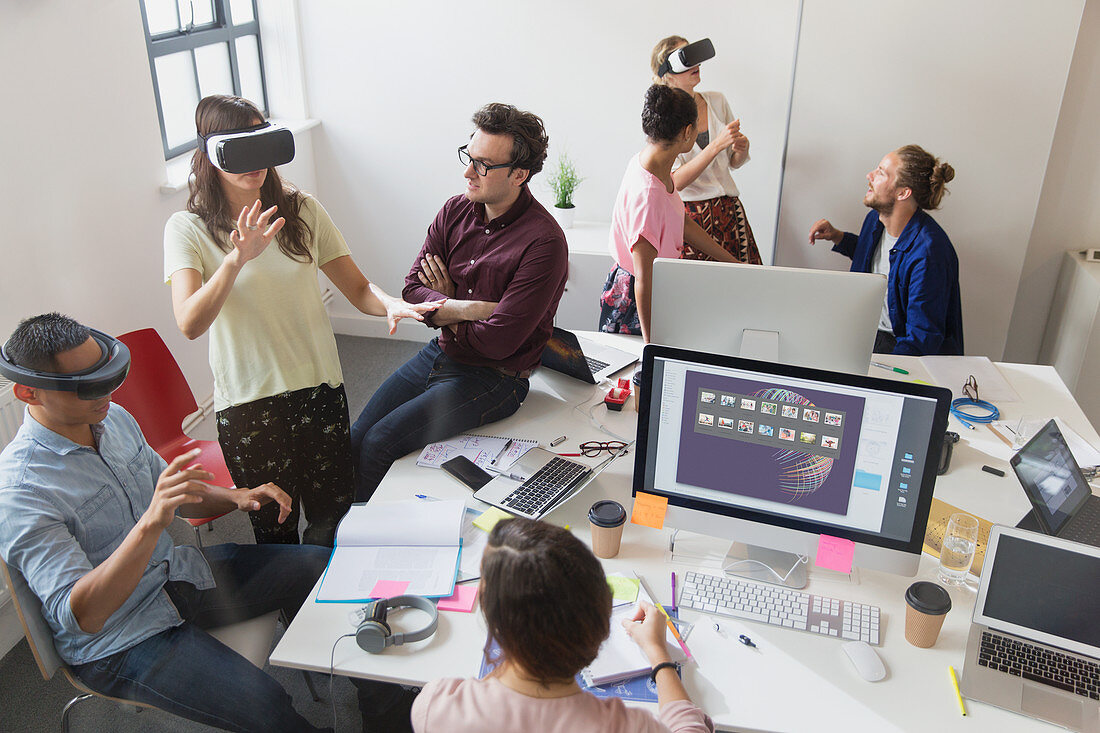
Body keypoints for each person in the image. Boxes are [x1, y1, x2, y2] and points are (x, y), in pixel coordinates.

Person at [0, 313, 330, 733]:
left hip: (174, 574)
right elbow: (85, 616)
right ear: (28, 392)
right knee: (268, 704)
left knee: (318, 564)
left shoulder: (112, 418)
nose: (106, 394)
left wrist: (235, 496)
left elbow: (173, 496)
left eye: (107, 376)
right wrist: (152, 523)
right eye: (87, 387)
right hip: (120, 638)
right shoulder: (21, 492)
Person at [164, 95, 440, 546]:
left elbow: (357, 288)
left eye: (263, 143)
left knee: (334, 519)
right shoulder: (187, 228)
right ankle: (294, 617)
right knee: (276, 531)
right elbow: (190, 322)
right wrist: (237, 259)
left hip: (319, 391)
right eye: (241, 148)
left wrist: (389, 303)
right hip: (250, 406)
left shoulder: (302, 211)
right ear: (212, 153)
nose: (256, 163)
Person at [350, 103, 568, 502]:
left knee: (380, 442)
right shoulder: (454, 210)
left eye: (483, 165)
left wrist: (442, 307)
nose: (468, 172)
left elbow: (498, 342)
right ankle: (334, 533)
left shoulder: (544, 243)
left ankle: (356, 544)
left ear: (519, 174)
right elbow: (412, 291)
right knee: (356, 437)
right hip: (440, 353)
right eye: (468, 157)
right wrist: (467, 307)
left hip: (495, 377)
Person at [411, 517, 713, 732]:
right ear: (599, 627)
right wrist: (659, 654)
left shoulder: (438, 707)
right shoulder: (630, 726)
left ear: (496, 618)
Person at [600, 84, 737, 341]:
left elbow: (679, 220)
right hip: (635, 302)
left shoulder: (651, 162)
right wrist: (653, 348)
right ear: (687, 132)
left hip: (648, 288)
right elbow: (643, 280)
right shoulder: (648, 193)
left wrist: (731, 261)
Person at [808, 145, 963, 356]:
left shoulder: (929, 253)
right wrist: (838, 236)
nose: (869, 175)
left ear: (903, 192)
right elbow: (881, 260)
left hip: (899, 343)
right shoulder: (876, 219)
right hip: (867, 329)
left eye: (881, 173)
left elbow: (922, 337)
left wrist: (885, 375)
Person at [652, 36, 761, 265]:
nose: (697, 65)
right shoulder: (664, 118)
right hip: (690, 219)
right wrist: (715, 146)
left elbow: (733, 162)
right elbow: (674, 182)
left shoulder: (717, 101)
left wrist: (741, 149)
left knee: (741, 287)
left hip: (730, 212)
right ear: (669, 72)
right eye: (687, 58)